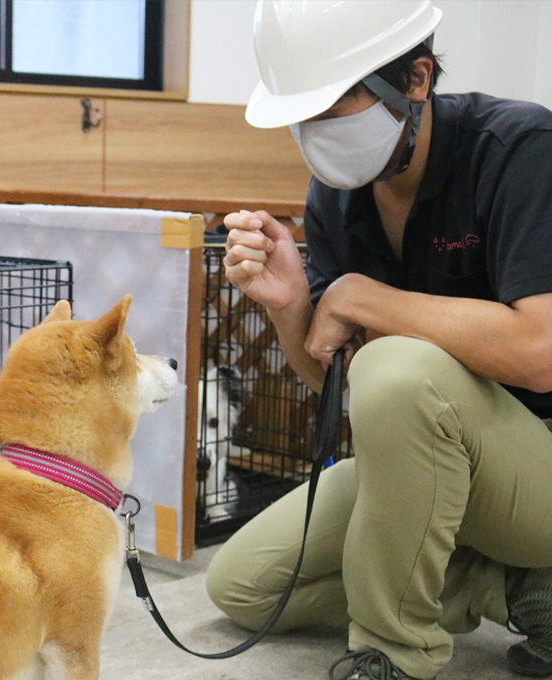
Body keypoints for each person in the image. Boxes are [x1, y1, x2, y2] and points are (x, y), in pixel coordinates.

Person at [205, 1, 552, 679]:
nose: (314, 135)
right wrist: (292, 308)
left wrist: (368, 299)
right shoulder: (336, 198)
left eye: (332, 105)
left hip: (537, 469)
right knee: (243, 587)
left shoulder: (520, 149)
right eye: (298, 115)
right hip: (439, 462)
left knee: (399, 363)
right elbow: (345, 386)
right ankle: (512, 587)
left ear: (416, 80)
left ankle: (395, 654)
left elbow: (541, 354)